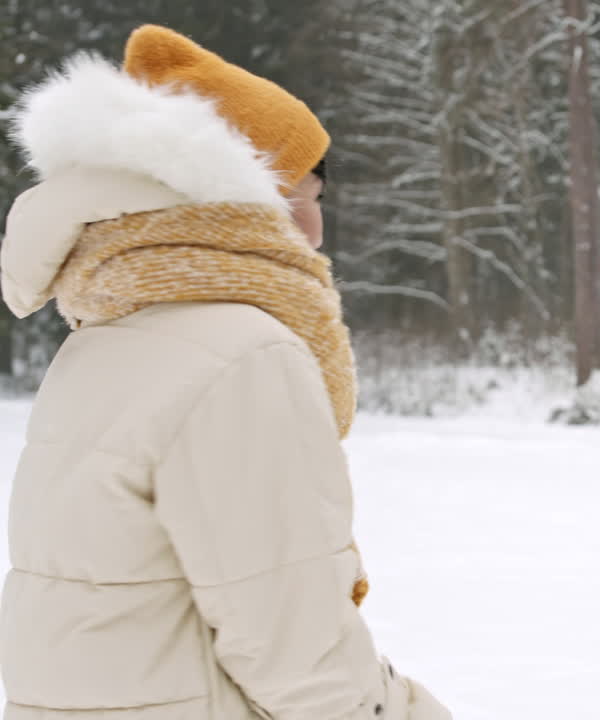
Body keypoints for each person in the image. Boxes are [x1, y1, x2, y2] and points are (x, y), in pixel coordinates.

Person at [0, 25, 450, 719]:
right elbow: (296, 651)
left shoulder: (104, 342)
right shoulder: (243, 355)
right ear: (235, 197)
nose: (316, 230)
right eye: (303, 196)